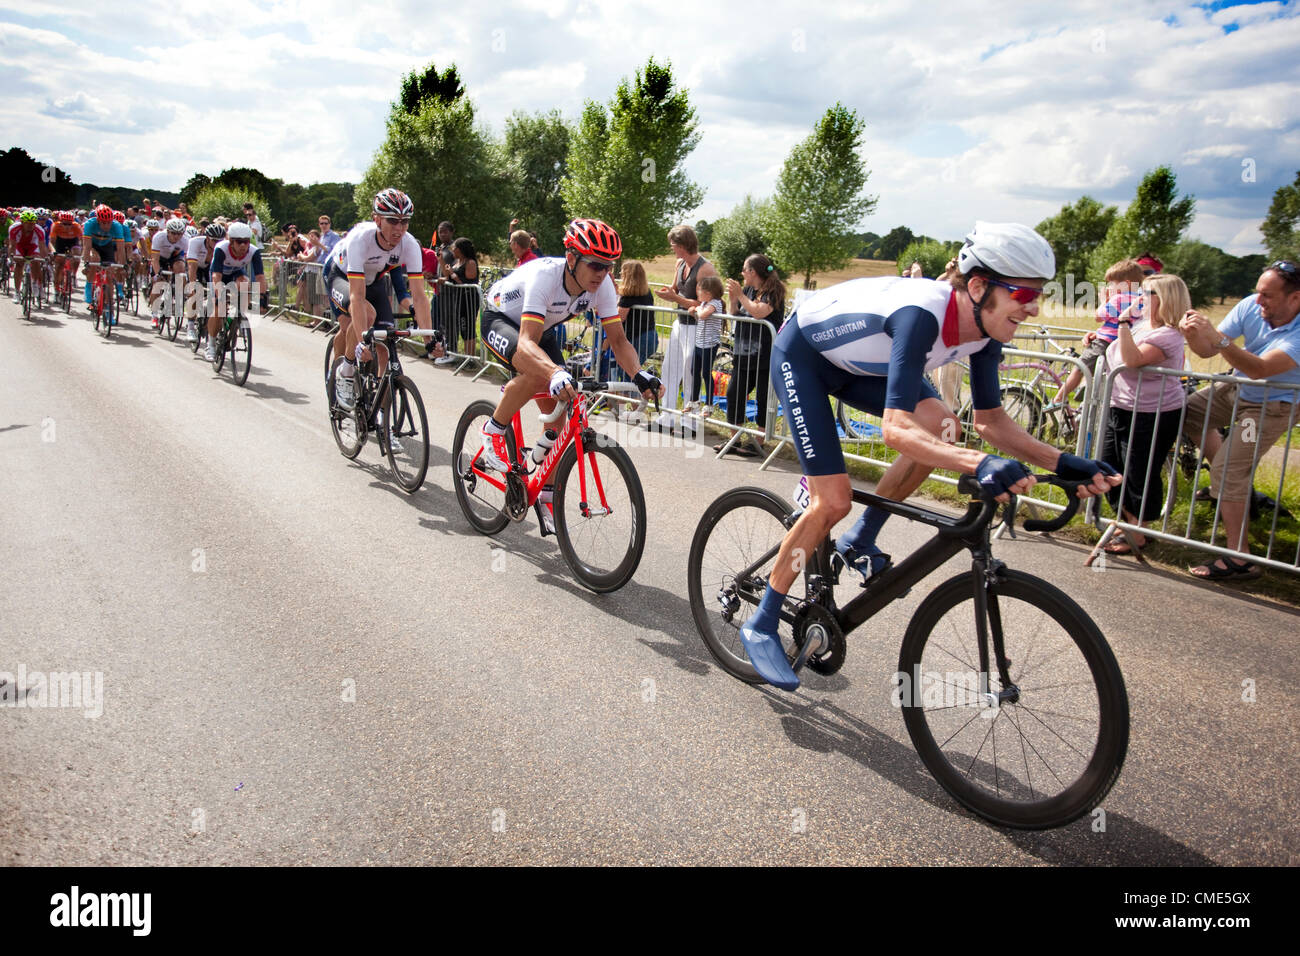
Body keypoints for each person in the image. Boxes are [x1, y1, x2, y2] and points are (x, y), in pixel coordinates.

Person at [740, 222, 1120, 691]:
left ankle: (860, 539)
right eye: (1024, 292)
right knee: (832, 501)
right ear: (979, 287)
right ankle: (762, 621)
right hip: (804, 357)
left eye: (1039, 293)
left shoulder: (985, 330)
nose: (1034, 305)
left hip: (859, 366)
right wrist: (978, 464)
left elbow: (991, 422)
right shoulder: (921, 315)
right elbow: (895, 429)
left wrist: (1063, 462)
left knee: (944, 427)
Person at [476, 219, 663, 510]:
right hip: (501, 319)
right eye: (596, 265)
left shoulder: (602, 287)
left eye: (609, 266)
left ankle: (546, 495)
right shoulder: (546, 276)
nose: (603, 274)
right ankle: (493, 428)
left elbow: (618, 340)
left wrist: (639, 375)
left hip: (543, 328)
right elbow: (526, 343)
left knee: (559, 417)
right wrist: (553, 371)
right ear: (572, 258)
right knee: (540, 375)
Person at [1178, 260, 1300, 581]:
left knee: (1229, 470)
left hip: (1269, 407)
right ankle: (1232, 483)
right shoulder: (1251, 304)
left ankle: (1240, 557)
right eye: (1258, 292)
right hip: (1236, 388)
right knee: (1184, 412)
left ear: (1295, 299)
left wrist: (1217, 340)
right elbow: (1206, 351)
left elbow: (1259, 368)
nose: (1257, 301)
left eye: (1267, 296)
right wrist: (1192, 334)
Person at [1098, 273, 1190, 553]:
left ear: (1165, 299)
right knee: (1107, 467)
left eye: (1147, 293)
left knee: (1140, 471)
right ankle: (1127, 521)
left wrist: (1122, 324)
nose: (1140, 297)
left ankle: (1139, 531)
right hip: (1121, 405)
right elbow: (1119, 350)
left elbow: (1132, 360)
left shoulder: (1169, 335)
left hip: (1152, 413)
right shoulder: (1141, 325)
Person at [325, 189, 434, 409]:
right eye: (393, 221)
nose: (399, 228)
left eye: (405, 222)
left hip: (373, 281)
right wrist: (361, 340)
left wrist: (429, 341)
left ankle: (382, 413)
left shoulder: (409, 244)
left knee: (385, 345)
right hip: (339, 275)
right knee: (357, 321)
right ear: (377, 219)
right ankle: (345, 370)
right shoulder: (360, 239)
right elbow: (356, 295)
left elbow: (419, 297)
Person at [1053, 258, 1145, 410]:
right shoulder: (1142, 300)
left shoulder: (1119, 299)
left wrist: (1104, 300)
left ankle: (1059, 397)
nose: (1109, 287)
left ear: (1126, 284)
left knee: (1080, 367)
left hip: (1105, 342)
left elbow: (1098, 316)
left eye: (1112, 284)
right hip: (1124, 344)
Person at [721, 253, 783, 455]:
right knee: (733, 394)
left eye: (744, 269)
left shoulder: (773, 291)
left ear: (752, 272)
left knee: (763, 398)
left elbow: (759, 312)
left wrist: (740, 295)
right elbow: (736, 314)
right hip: (743, 352)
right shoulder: (747, 290)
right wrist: (733, 299)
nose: (742, 273)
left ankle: (759, 440)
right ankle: (735, 438)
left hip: (765, 354)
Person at [657, 225, 718, 423]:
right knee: (669, 368)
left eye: (673, 245)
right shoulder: (680, 264)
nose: (672, 248)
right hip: (679, 323)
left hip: (696, 327)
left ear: (683, 245)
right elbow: (676, 289)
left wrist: (675, 298)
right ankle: (667, 416)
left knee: (690, 371)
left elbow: (708, 303)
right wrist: (668, 293)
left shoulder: (705, 268)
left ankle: (690, 421)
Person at [687, 274, 725, 414]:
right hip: (699, 343)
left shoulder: (715, 303)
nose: (697, 293)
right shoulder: (703, 304)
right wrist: (693, 311)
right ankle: (694, 400)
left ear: (708, 293)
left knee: (706, 373)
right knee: (694, 371)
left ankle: (709, 404)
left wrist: (696, 309)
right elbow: (699, 315)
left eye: (699, 290)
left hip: (709, 344)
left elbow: (703, 315)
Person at [437, 236, 479, 364]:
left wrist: (452, 275)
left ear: (460, 250)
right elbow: (449, 276)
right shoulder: (457, 262)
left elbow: (464, 281)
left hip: (468, 299)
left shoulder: (470, 263)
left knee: (468, 329)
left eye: (454, 248)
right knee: (462, 328)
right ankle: (467, 358)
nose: (452, 250)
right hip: (459, 299)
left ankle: (470, 359)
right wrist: (441, 261)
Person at [617, 260, 657, 381]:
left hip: (637, 338)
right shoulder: (646, 292)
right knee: (635, 371)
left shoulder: (628, 295)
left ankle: (629, 399)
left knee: (627, 372)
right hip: (651, 336)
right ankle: (633, 398)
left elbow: (619, 318)